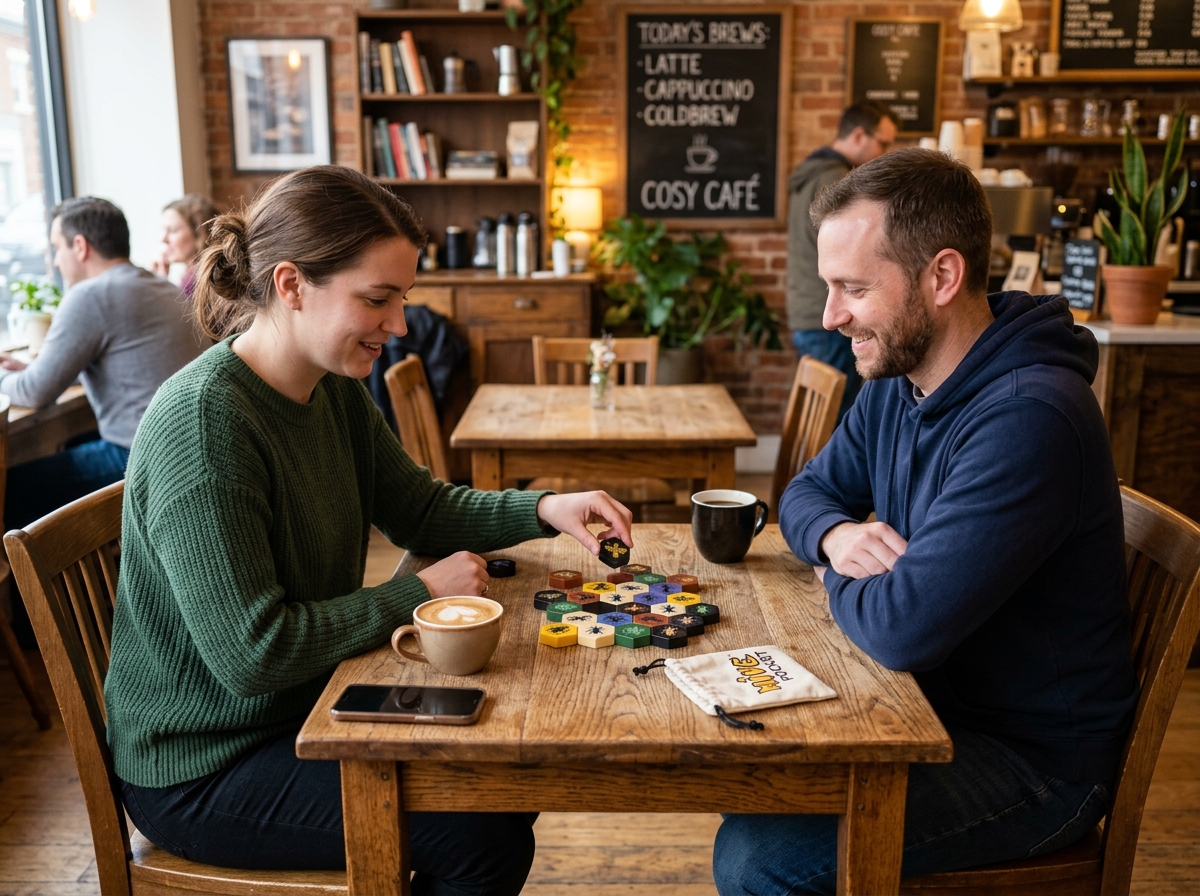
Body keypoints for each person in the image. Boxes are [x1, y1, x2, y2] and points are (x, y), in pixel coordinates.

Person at [102, 165, 634, 894]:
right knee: (481, 834)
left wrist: (544, 509)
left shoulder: (332, 387)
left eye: (402, 299)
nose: (401, 325)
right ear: (290, 285)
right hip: (204, 766)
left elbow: (419, 507)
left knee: (504, 776)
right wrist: (413, 592)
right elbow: (252, 656)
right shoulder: (206, 426)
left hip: (307, 705)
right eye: (378, 300)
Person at [713, 148, 1138, 894]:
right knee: (747, 781)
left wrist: (824, 568)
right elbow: (806, 492)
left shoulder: (1028, 418)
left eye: (853, 288)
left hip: (1032, 762)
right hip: (925, 704)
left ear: (941, 277)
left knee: (759, 854)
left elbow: (901, 629)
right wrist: (839, 538)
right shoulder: (900, 375)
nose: (829, 314)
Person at [1, 196, 205, 579]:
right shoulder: (157, 285)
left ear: (80, 246)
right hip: (184, 454)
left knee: (11, 493)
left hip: (138, 462)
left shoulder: (90, 296)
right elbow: (122, 357)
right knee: (69, 449)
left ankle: (54, 618)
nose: (55, 261)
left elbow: (33, 392)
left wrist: (5, 377)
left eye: (57, 248)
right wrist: (33, 367)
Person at [786, 101, 896, 421]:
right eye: (884, 143)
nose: (884, 152)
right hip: (832, 315)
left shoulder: (811, 173)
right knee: (839, 423)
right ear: (859, 135)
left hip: (809, 311)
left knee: (820, 420)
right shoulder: (834, 180)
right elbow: (856, 252)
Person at [151, 193, 219, 298]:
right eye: (163, 230)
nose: (163, 239)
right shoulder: (208, 272)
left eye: (173, 230)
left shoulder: (194, 280)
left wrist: (160, 283)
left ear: (199, 234)